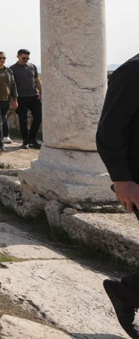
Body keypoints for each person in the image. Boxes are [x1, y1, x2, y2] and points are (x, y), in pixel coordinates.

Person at [98, 54, 139, 338]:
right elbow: (109, 129)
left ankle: (127, 291)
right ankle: (126, 291)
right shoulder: (134, 70)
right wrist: (122, 180)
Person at [9, 48, 42, 149]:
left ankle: (32, 139)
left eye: (27, 58)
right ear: (18, 56)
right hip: (20, 98)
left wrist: (41, 92)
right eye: (24, 58)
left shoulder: (32, 67)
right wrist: (13, 99)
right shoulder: (12, 69)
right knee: (23, 120)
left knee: (38, 118)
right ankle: (25, 141)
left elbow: (37, 80)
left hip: (34, 96)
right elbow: (10, 85)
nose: (26, 60)